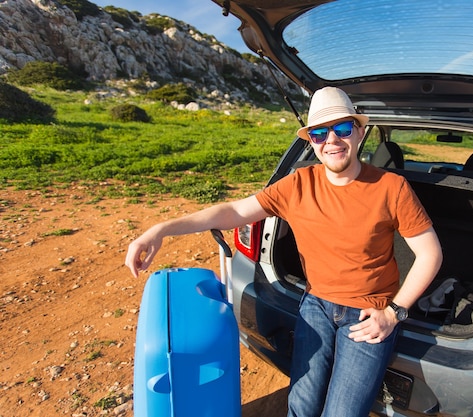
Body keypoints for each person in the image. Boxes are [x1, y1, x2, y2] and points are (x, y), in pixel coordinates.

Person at [125, 86, 443, 417]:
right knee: (301, 406)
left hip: (368, 313)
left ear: (359, 132)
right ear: (311, 142)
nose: (331, 140)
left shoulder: (392, 188)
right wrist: (161, 229)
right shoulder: (297, 184)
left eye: (342, 128)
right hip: (316, 305)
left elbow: (430, 254)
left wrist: (393, 314)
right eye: (320, 133)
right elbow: (233, 211)